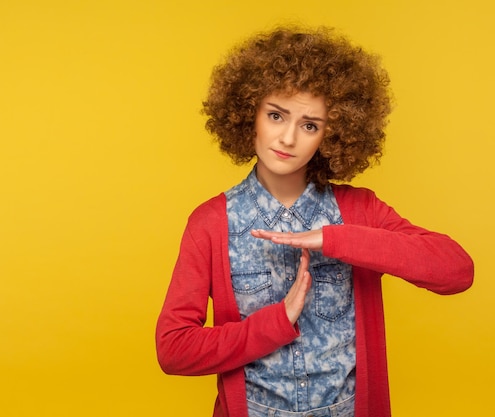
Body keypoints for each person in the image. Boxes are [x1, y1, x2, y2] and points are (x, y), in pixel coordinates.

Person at [156, 26, 474, 417]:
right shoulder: (210, 223)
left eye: (309, 125)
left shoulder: (359, 211)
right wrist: (274, 323)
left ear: (332, 133)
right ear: (248, 114)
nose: (288, 138)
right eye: (276, 115)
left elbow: (457, 270)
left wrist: (336, 239)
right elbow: (173, 350)